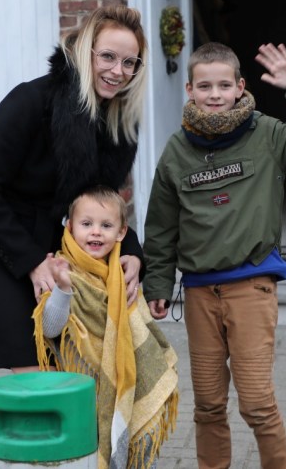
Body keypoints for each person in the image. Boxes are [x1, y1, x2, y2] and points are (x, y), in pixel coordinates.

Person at [142, 42, 286, 469]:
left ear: (239, 87)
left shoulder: (267, 134)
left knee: (256, 402)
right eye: (204, 86)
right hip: (199, 294)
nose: (214, 94)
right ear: (189, 90)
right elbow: (161, 225)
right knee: (208, 405)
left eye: (223, 85)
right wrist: (157, 283)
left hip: (251, 288)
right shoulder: (177, 151)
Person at [0, 5, 149, 371]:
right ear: (85, 51)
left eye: (129, 63)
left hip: (46, 243)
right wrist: (31, 260)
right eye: (108, 57)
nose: (117, 71)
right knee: (31, 364)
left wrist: (133, 254)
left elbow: (101, 205)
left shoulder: (119, 124)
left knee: (62, 362)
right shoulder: (31, 100)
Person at [33, 187, 178, 469]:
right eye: (87, 224)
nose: (96, 232)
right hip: (84, 387)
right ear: (70, 227)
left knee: (138, 442)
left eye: (106, 226)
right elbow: (50, 329)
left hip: (128, 378)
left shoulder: (123, 273)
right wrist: (63, 289)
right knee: (86, 453)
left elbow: (140, 328)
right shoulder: (62, 268)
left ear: (122, 232)